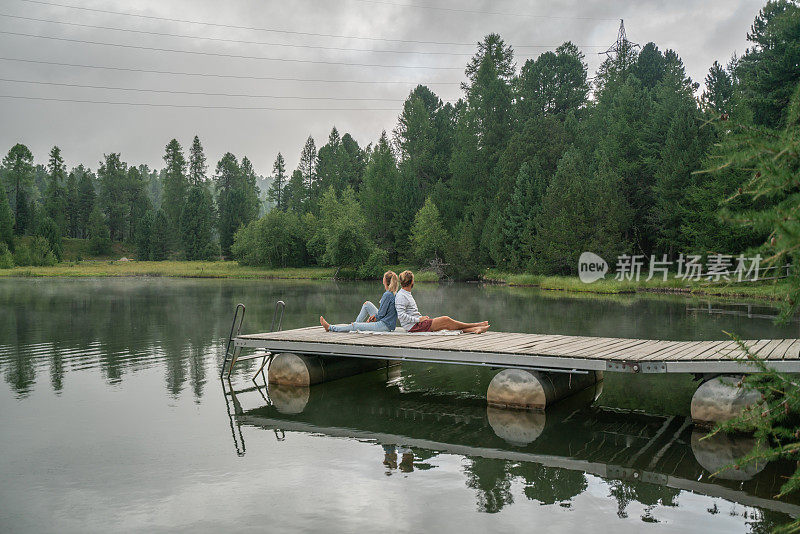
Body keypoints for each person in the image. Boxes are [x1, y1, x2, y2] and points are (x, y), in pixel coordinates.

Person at [394, 270, 489, 333]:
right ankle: (476, 325)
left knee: (446, 324)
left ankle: (474, 329)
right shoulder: (401, 296)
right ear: (412, 282)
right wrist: (419, 320)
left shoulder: (406, 293)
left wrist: (420, 318)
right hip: (414, 326)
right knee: (445, 320)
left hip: (417, 323)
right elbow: (401, 315)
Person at [320, 271, 399, 332]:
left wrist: (372, 319)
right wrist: (374, 318)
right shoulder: (392, 293)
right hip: (387, 322)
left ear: (385, 281)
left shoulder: (387, 294)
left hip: (385, 325)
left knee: (355, 325)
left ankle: (330, 328)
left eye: (383, 278)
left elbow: (381, 315)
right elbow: (383, 314)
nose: (382, 280)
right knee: (367, 304)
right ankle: (355, 326)